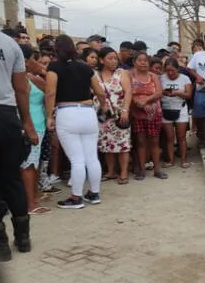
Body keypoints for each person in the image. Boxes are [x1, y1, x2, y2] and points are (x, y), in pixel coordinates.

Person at [45, 35, 107, 209]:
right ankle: (94, 193)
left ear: (56, 49)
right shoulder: (85, 68)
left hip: (67, 113)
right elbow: (100, 92)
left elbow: (50, 92)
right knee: (91, 157)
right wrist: (103, 108)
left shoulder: (54, 67)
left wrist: (49, 116)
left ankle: (76, 197)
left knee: (76, 159)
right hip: (88, 113)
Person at [0, 29, 38, 260]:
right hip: (7, 115)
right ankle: (23, 238)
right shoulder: (9, 45)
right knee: (12, 178)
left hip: (4, 113)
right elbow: (22, 89)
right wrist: (28, 124)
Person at [18, 44, 52, 215]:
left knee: (32, 163)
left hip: (34, 125)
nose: (39, 64)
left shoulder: (23, 78)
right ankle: (30, 204)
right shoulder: (29, 79)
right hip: (32, 126)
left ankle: (34, 196)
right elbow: (51, 89)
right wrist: (43, 71)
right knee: (29, 165)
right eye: (35, 60)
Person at [96, 47, 132, 185]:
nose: (113, 61)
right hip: (103, 115)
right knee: (106, 143)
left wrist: (125, 110)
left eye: (115, 58)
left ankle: (123, 172)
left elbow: (128, 92)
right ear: (101, 60)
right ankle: (111, 171)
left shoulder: (121, 73)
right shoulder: (95, 74)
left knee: (123, 144)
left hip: (119, 113)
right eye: (110, 58)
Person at [130, 52, 167, 180]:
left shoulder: (153, 76)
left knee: (155, 141)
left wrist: (145, 100)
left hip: (154, 114)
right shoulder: (130, 75)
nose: (143, 63)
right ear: (134, 62)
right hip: (137, 113)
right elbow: (128, 92)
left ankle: (157, 169)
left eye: (145, 60)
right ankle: (142, 169)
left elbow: (159, 92)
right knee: (140, 142)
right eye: (140, 60)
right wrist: (136, 101)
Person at [160, 58, 192, 168]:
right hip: (166, 108)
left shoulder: (185, 78)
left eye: (172, 70)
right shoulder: (161, 78)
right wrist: (164, 92)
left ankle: (183, 160)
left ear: (177, 69)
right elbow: (157, 92)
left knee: (181, 137)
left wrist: (178, 93)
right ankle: (170, 160)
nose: (170, 73)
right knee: (169, 137)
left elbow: (188, 95)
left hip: (181, 108)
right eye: (167, 70)